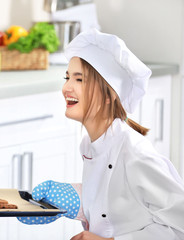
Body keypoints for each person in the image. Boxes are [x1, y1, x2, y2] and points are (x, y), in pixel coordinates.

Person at [17, 28, 184, 240]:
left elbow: (180, 227)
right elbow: (117, 200)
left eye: (79, 80)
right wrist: (76, 201)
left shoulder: (134, 152)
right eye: (67, 77)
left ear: (108, 95)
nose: (66, 87)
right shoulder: (90, 144)